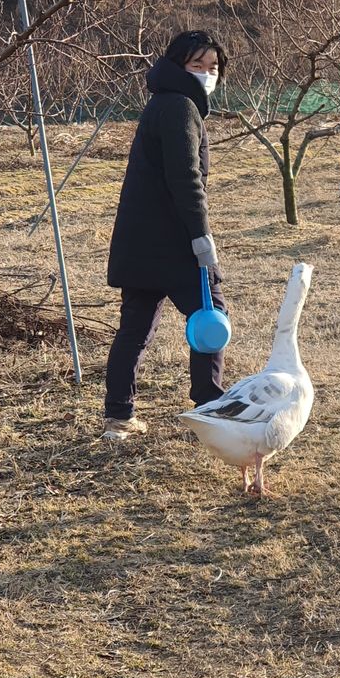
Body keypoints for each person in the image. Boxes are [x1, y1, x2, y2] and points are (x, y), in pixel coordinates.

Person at [102, 30, 228, 440]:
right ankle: (208, 411)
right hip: (175, 245)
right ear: (178, 66)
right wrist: (201, 237)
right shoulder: (180, 107)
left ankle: (118, 419)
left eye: (213, 67)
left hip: (141, 243)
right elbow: (186, 179)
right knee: (212, 320)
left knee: (135, 329)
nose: (207, 74)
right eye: (198, 65)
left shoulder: (160, 102)